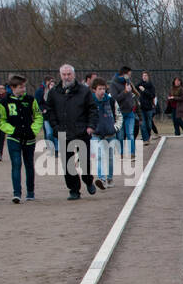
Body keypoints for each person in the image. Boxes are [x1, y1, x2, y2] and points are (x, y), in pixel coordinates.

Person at [44, 63, 101, 199]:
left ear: (74, 75)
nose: (66, 77)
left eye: (69, 74)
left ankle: (88, 180)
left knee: (85, 160)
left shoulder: (84, 91)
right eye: (64, 74)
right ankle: (74, 190)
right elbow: (50, 112)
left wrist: (91, 126)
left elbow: (93, 110)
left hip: (82, 131)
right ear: (60, 75)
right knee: (68, 163)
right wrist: (55, 127)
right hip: (63, 132)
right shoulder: (54, 92)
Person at [0, 74, 43, 202]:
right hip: (14, 138)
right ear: (12, 87)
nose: (23, 89)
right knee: (16, 164)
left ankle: (30, 192)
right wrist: (13, 130)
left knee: (29, 165)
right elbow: (0, 120)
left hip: (29, 138)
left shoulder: (30, 100)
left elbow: (38, 116)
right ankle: (16, 193)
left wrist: (33, 130)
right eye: (20, 87)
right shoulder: (4, 102)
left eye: (24, 87)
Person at [90, 77, 120, 187]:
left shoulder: (111, 101)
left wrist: (115, 128)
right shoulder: (90, 102)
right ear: (94, 90)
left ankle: (110, 178)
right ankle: (101, 179)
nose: (102, 91)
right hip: (96, 134)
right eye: (100, 89)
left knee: (110, 158)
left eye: (104, 88)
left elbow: (119, 116)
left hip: (110, 134)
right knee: (99, 155)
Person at [113, 73, 137, 155]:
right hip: (120, 114)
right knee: (120, 136)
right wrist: (125, 92)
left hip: (130, 113)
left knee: (130, 134)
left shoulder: (129, 84)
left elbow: (135, 95)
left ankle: (132, 152)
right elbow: (116, 98)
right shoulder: (114, 86)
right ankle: (121, 152)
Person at [135, 71, 157, 144]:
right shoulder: (139, 85)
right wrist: (137, 101)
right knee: (142, 124)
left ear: (148, 77)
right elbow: (134, 90)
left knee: (149, 124)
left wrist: (144, 90)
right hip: (141, 107)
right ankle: (145, 139)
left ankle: (148, 135)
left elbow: (152, 95)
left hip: (149, 107)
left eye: (146, 76)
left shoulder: (151, 86)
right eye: (143, 76)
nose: (144, 77)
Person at [36, 77, 58, 148]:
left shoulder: (58, 94)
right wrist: (43, 109)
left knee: (56, 133)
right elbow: (40, 103)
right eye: (51, 84)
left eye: (53, 85)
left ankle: (56, 149)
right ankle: (50, 146)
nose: (52, 86)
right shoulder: (44, 94)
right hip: (47, 116)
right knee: (49, 133)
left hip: (56, 117)